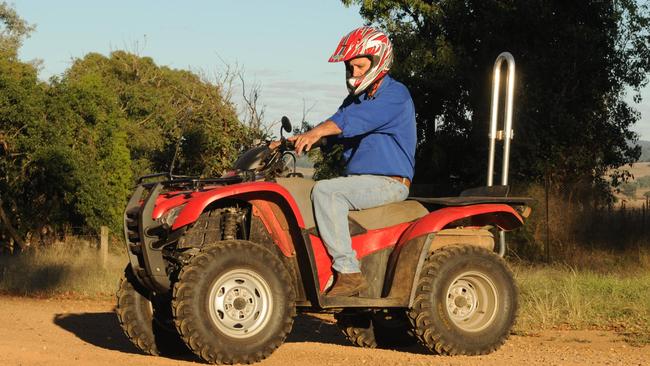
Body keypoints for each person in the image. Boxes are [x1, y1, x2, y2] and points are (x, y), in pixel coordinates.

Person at [289, 26, 416, 297]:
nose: (353, 73)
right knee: (305, 187)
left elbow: (347, 123)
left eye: (359, 66)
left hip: (389, 182)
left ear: (378, 61)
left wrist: (318, 132)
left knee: (327, 191)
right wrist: (295, 141)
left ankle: (348, 272)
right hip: (361, 182)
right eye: (349, 68)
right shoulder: (356, 100)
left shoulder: (395, 95)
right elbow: (334, 131)